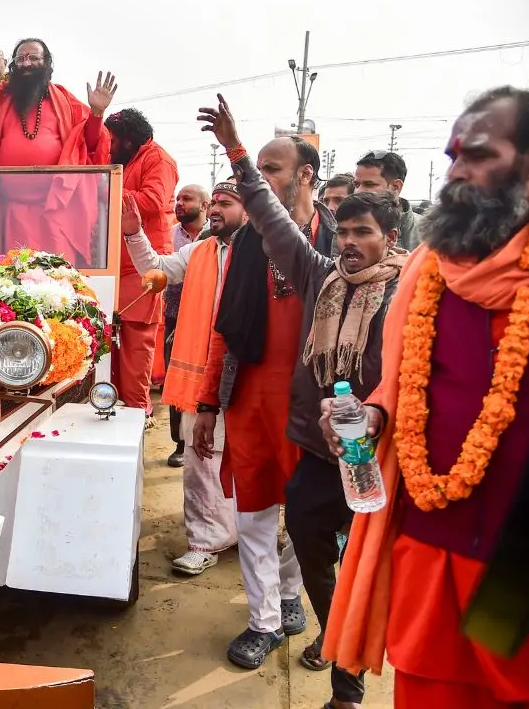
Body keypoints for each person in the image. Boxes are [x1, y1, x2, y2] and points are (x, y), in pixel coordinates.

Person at [324, 87, 529, 707]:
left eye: (477, 155)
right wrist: (373, 413)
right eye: (452, 155)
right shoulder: (428, 268)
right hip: (432, 541)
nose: (455, 171)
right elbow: (403, 383)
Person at [206, 90, 412, 708]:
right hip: (317, 449)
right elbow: (269, 214)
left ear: (390, 236)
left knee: (369, 564)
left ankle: (347, 683)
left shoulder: (409, 294)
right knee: (313, 547)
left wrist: (378, 411)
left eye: (363, 233)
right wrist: (238, 151)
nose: (349, 242)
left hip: (376, 454)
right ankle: (339, 651)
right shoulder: (319, 273)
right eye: (343, 231)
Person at [191, 109, 329, 669]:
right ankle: (264, 620)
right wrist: (206, 402)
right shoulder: (247, 243)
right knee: (253, 513)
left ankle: (293, 596)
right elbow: (225, 328)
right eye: (261, 168)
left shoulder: (337, 240)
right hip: (249, 400)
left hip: (312, 407)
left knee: (306, 513)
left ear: (306, 177)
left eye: (275, 168)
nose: (264, 178)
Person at [122, 182, 241, 577]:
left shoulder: (265, 252)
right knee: (203, 457)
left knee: (244, 458)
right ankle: (205, 541)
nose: (217, 209)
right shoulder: (200, 251)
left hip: (248, 371)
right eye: (217, 203)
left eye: (227, 203)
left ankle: (240, 530)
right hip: (204, 372)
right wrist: (132, 232)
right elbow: (155, 268)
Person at [0, 39, 116, 262]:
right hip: (9, 213)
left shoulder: (65, 100)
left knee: (57, 282)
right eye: (20, 59)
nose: (26, 63)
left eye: (33, 58)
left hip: (55, 214)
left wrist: (96, 113)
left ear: (47, 63)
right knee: (10, 281)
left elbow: (90, 146)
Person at [104, 108, 178, 423]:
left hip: (143, 264)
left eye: (113, 140)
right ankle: (112, 405)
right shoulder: (126, 159)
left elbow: (152, 201)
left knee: (135, 343)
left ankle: (137, 413)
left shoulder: (158, 159)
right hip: (114, 264)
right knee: (113, 341)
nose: (108, 147)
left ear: (129, 140)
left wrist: (105, 186)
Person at [163, 184, 211, 467]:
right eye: (177, 197)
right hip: (175, 315)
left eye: (187, 198)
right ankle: (180, 442)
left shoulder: (216, 236)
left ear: (204, 206)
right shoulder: (170, 236)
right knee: (176, 376)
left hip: (208, 318)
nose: (179, 203)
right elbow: (161, 269)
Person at [355, 150, 420, 250]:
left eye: (369, 184)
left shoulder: (430, 234)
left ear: (396, 187)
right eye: (356, 185)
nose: (358, 191)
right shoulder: (346, 226)